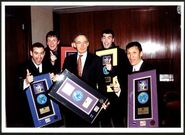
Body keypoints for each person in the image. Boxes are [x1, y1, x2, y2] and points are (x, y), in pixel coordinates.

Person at [62, 34, 107, 127]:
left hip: (90, 104)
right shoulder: (68, 59)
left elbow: (102, 83)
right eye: (79, 42)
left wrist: (103, 101)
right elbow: (64, 81)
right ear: (74, 44)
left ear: (88, 44)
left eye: (84, 42)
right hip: (72, 104)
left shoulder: (96, 60)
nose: (82, 45)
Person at [16, 42, 61, 127]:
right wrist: (26, 81)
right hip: (31, 111)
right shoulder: (22, 67)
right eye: (36, 53)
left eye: (41, 53)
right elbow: (17, 88)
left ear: (44, 53)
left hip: (48, 108)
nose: (39, 57)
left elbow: (56, 84)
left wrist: (55, 80)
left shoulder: (49, 65)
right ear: (31, 53)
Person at [97, 29, 130, 127]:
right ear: (101, 39)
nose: (106, 40)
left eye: (109, 37)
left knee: (118, 121)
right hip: (103, 93)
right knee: (104, 121)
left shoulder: (120, 53)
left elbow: (126, 71)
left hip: (116, 93)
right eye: (104, 37)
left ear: (113, 39)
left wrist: (112, 69)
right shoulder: (97, 54)